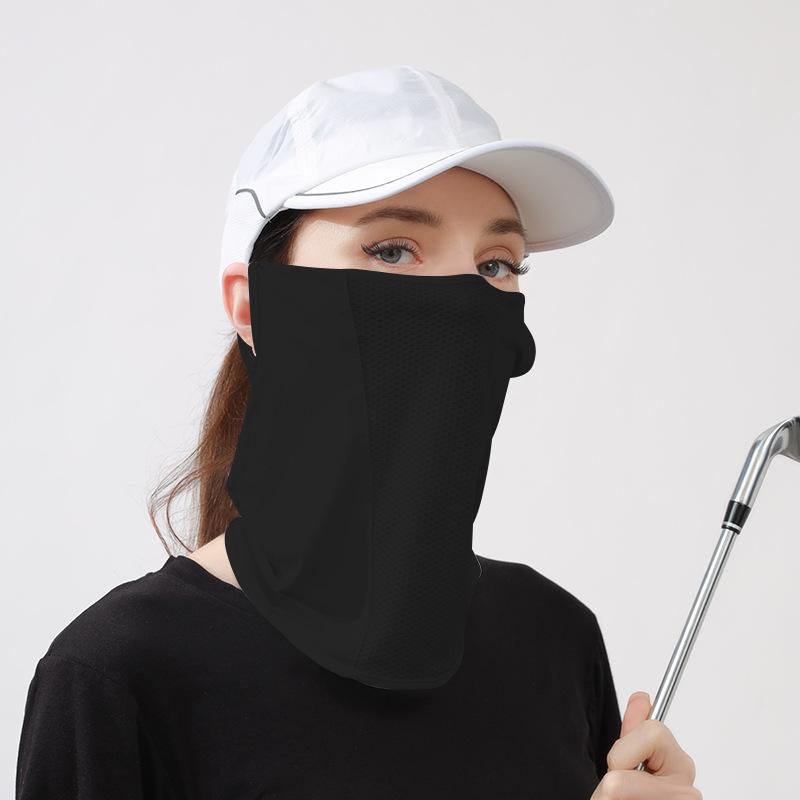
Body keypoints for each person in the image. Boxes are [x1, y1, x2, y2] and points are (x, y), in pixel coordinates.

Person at [15, 65, 702, 799]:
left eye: (497, 264)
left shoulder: (553, 636)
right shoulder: (118, 675)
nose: (464, 303)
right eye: (392, 250)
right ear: (252, 306)